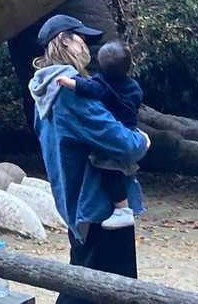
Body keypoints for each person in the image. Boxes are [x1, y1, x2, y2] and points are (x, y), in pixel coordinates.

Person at [28, 15, 150, 303]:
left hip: (74, 203)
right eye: (80, 38)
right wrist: (142, 140)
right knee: (112, 291)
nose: (86, 45)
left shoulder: (42, 91)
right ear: (64, 41)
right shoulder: (70, 93)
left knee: (83, 285)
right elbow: (122, 143)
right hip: (99, 208)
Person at [56, 40, 144, 229]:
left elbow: (89, 88)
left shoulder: (103, 85)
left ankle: (122, 209)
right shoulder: (134, 87)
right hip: (130, 128)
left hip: (117, 137)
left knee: (109, 171)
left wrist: (70, 82)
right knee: (121, 172)